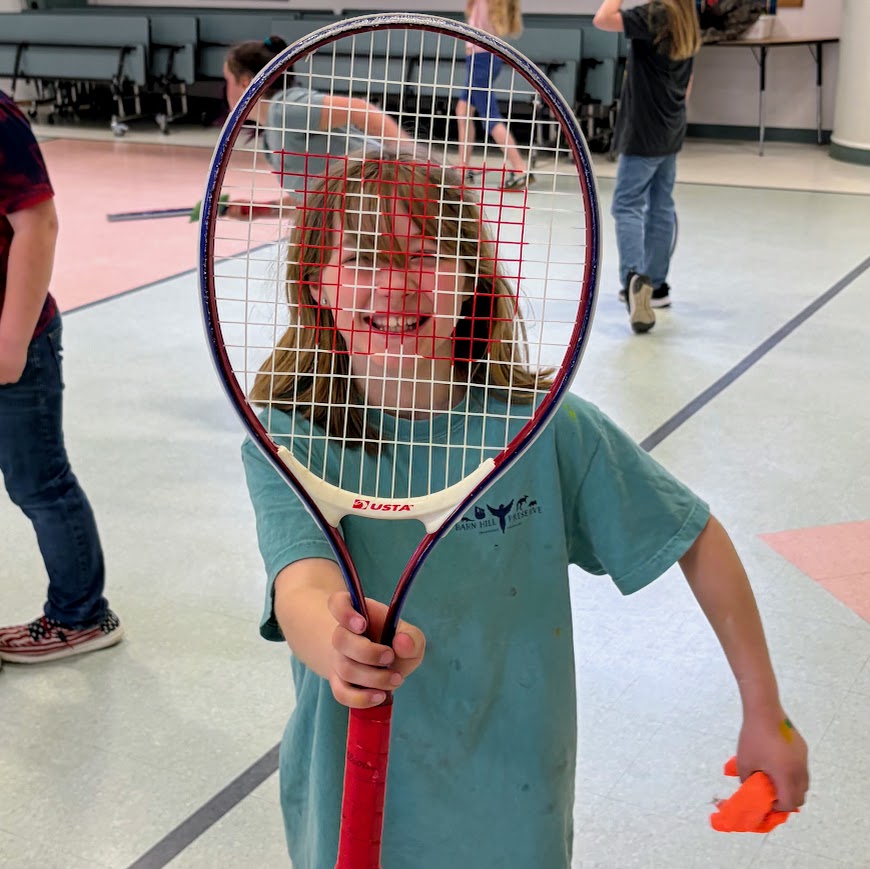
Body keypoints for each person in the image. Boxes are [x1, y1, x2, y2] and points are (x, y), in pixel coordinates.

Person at [240, 156, 808, 867]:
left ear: (473, 273)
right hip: (352, 815)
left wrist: (765, 709)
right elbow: (302, 581)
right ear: (315, 285)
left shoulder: (547, 432)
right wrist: (338, 644)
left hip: (513, 815)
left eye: (424, 253)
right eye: (362, 257)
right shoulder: (291, 439)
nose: (395, 283)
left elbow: (694, 537)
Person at [0, 90, 122, 666]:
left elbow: (38, 225)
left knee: (39, 484)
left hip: (15, 340)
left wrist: (12, 341)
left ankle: (82, 615)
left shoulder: (0, 118)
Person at [594, 0, 700, 333]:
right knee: (661, 206)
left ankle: (633, 280)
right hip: (671, 126)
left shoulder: (654, 14)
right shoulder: (686, 16)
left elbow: (603, 19)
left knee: (626, 205)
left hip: (643, 131)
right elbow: (690, 81)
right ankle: (658, 287)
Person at [221, 36, 414, 218]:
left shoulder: (286, 108)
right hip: (365, 217)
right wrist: (265, 209)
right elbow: (312, 200)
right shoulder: (272, 135)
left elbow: (361, 110)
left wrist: (413, 161)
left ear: (245, 82)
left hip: (394, 201)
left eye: (227, 80)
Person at [455, 0, 534, 190]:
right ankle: (463, 169)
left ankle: (520, 169)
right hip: (485, 59)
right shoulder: (495, 3)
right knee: (463, 110)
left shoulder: (484, 2)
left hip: (480, 60)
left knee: (490, 116)